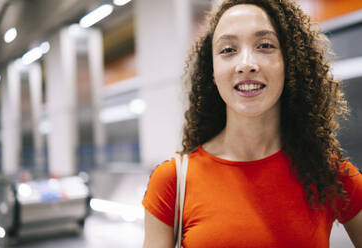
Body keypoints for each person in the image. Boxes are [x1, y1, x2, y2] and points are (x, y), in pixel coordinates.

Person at [142, 0, 362, 247]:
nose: (246, 64)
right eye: (228, 50)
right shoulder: (172, 181)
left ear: (289, 62)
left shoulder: (331, 175)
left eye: (265, 45)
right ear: (212, 71)